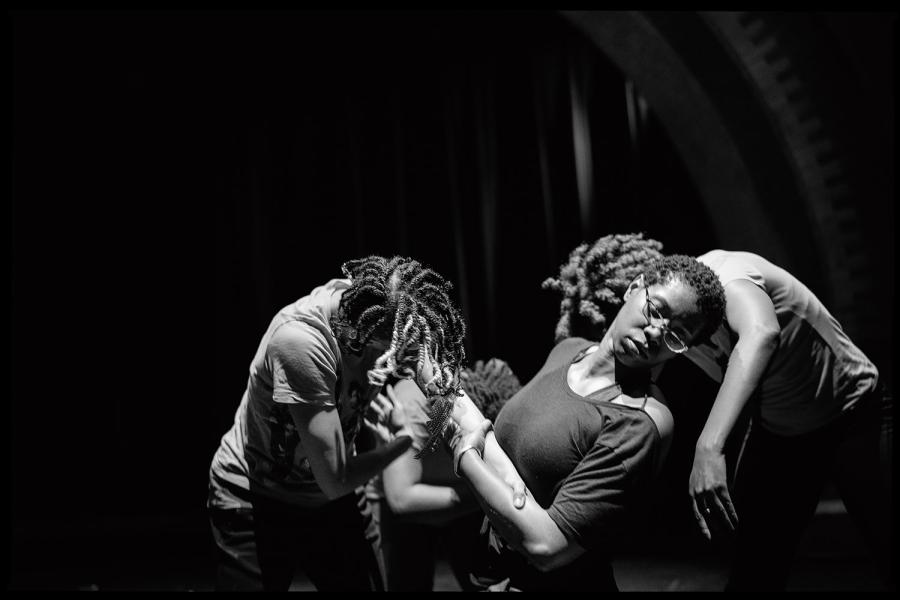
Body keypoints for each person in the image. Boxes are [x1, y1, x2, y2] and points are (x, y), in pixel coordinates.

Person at [445, 242, 727, 591]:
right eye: (656, 310)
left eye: (676, 336)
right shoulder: (569, 351)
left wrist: (466, 455)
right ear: (634, 287)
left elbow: (547, 547)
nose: (656, 332)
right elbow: (502, 456)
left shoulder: (639, 422)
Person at [206, 255, 472, 591]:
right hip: (255, 493)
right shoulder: (303, 343)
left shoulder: (390, 318)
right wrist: (399, 446)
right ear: (371, 329)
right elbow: (336, 478)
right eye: (398, 348)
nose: (405, 357)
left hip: (328, 499)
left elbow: (446, 391)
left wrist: (488, 449)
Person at [680, 249, 894, 591]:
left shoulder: (728, 277)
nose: (654, 327)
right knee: (755, 568)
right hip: (781, 431)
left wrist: (709, 446)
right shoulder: (670, 326)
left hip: (853, 413)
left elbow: (763, 333)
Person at [367, 359, 523, 591]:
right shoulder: (415, 403)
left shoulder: (492, 396)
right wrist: (492, 492)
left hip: (460, 500)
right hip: (403, 514)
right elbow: (403, 498)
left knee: (487, 582)